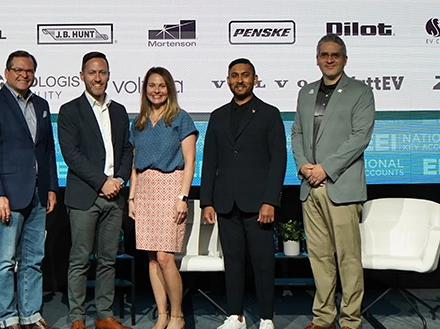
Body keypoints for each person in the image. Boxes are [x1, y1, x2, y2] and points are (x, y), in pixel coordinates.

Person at [291, 34, 375, 329]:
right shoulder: (306, 92)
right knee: (319, 257)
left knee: (348, 259)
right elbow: (298, 134)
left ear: (345, 60)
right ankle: (324, 317)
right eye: (324, 54)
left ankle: (350, 320)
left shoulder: (360, 92)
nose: (329, 59)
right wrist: (303, 167)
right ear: (317, 59)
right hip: (309, 186)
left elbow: (359, 138)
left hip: (341, 186)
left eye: (335, 55)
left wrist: (325, 169)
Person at [200, 59, 287, 329]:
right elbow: (210, 160)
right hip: (226, 203)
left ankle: (266, 318)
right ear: (227, 80)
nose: (240, 80)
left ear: (255, 79)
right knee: (233, 263)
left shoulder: (269, 114)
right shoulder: (217, 116)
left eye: (245, 75)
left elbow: (279, 160)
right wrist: (207, 201)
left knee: (263, 264)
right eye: (235, 75)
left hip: (259, 203)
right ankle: (235, 316)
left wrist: (270, 200)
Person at [0, 50, 59, 329]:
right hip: (7, 197)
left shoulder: (42, 104)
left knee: (33, 260)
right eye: (18, 70)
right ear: (7, 72)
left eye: (29, 70)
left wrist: (51, 188)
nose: (24, 75)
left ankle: (31, 315)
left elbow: (47, 150)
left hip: (38, 195)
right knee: (4, 261)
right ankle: (8, 318)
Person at [58, 52, 135, 329]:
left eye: (102, 72)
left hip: (115, 197)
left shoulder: (119, 110)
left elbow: (127, 149)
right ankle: (77, 317)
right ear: (82, 76)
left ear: (109, 75)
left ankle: (104, 314)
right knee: (79, 260)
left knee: (108, 260)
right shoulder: (69, 110)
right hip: (84, 197)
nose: (97, 78)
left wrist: (120, 180)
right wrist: (103, 182)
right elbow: (71, 154)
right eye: (92, 72)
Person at [127, 67, 197, 329]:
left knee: (165, 257)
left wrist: (183, 196)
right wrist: (131, 197)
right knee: (152, 258)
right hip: (144, 190)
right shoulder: (138, 123)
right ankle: (162, 315)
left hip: (171, 188)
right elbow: (134, 164)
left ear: (170, 89)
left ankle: (177, 315)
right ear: (145, 89)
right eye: (152, 86)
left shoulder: (181, 119)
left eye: (162, 86)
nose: (156, 90)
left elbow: (190, 162)